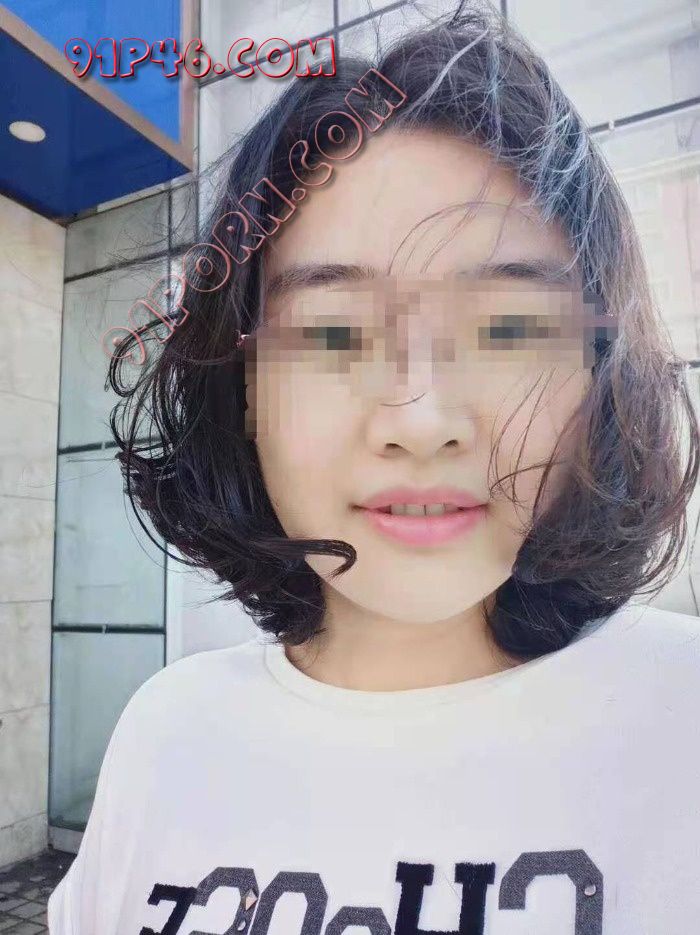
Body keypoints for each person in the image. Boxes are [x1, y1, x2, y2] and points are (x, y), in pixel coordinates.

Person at [48, 2, 700, 933]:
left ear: (596, 373)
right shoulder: (168, 733)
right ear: (244, 389)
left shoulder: (680, 724)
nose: (420, 422)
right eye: (333, 334)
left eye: (506, 329)